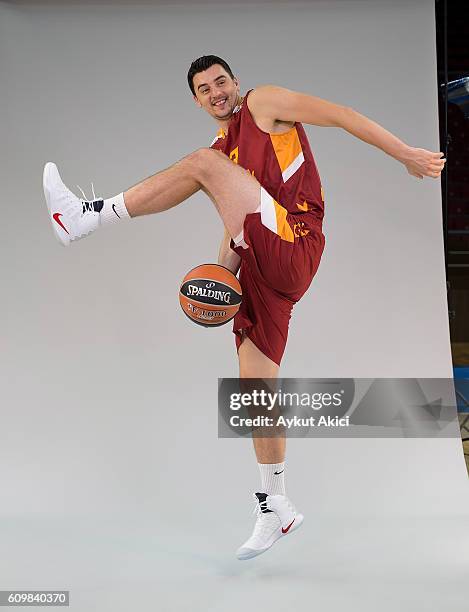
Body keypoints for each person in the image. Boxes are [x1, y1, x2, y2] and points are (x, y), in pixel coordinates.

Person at [43, 55, 446, 560]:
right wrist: (219, 286)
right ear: (196, 100)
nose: (216, 93)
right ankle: (275, 504)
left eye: (221, 82)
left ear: (236, 82)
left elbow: (342, 113)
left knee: (202, 164)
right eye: (204, 89)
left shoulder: (263, 103)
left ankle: (86, 216)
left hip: (295, 240)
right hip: (262, 262)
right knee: (255, 392)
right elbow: (237, 232)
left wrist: (406, 153)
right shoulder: (224, 148)